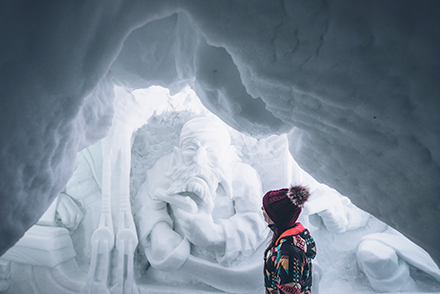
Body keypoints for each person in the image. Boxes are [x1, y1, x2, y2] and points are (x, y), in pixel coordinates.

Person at [133, 116, 267, 289]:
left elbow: (256, 220)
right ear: (178, 152)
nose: (199, 158)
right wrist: (158, 230)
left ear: (228, 154)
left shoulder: (242, 175)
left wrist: (215, 234)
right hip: (173, 270)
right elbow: (147, 199)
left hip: (221, 272)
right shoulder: (168, 167)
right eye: (190, 148)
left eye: (211, 150)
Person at [262, 185, 317, 294]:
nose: (262, 209)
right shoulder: (289, 240)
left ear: (276, 217)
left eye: (266, 208)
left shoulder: (288, 251)